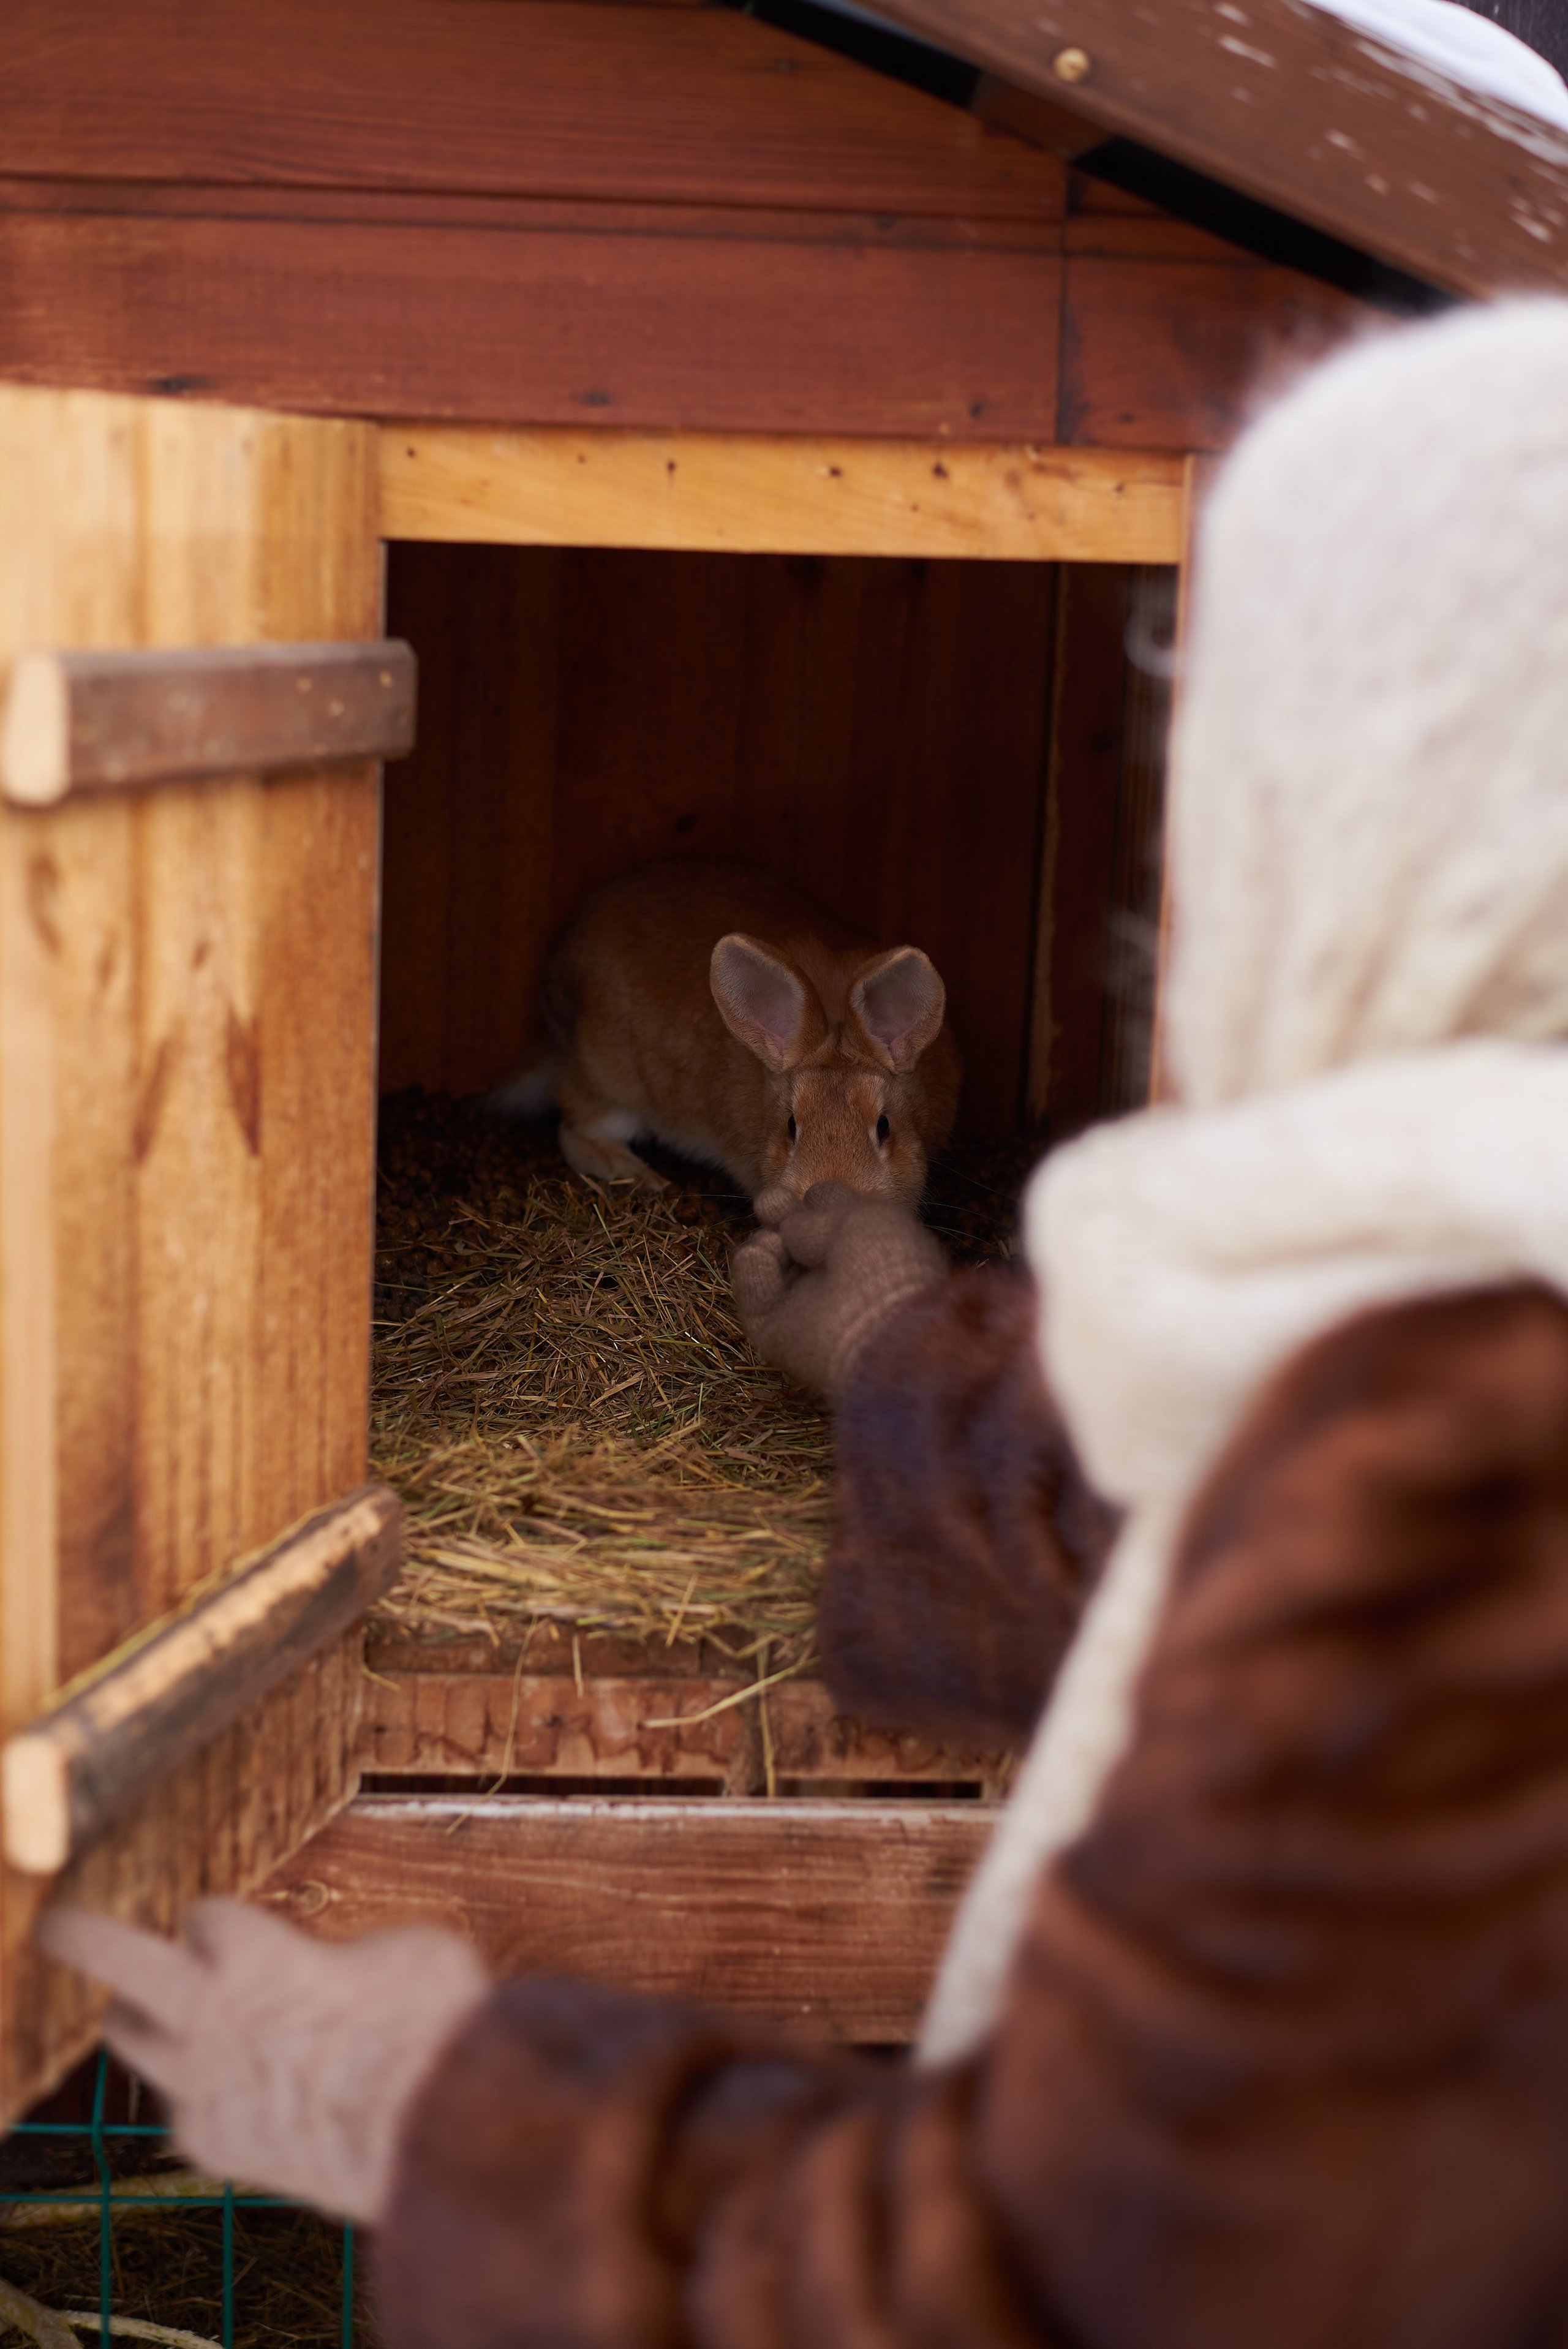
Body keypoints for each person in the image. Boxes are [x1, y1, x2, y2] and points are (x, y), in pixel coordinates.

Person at [40, 296, 1568, 2349]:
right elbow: (1216, 1563)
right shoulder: (1445, 1312)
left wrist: (435, 2108)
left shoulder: (1476, 1429)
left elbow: (1042, 2269)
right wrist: (893, 1348)